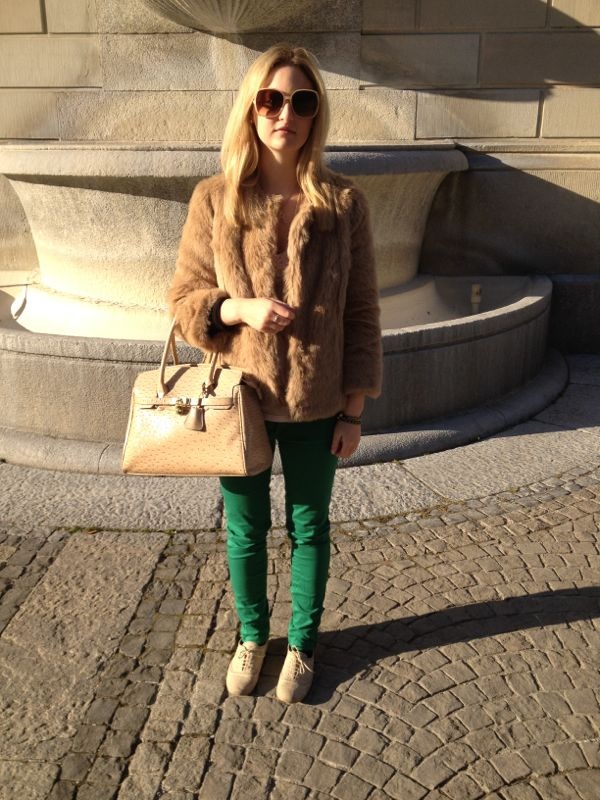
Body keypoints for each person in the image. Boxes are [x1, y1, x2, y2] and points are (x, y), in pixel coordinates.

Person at [167, 43, 383, 703]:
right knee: (245, 530)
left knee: (310, 526)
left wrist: (354, 410)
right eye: (271, 99)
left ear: (316, 114)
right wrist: (238, 308)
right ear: (252, 109)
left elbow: (363, 313)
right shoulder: (215, 199)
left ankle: (304, 643)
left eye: (301, 101)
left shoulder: (343, 202)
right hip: (242, 400)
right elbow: (184, 302)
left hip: (318, 402)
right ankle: (253, 636)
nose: (285, 113)